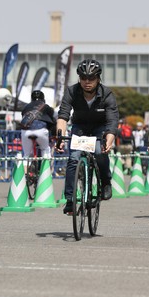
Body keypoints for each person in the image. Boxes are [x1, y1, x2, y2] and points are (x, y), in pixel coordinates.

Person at [55, 59, 119, 215]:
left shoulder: (107, 94)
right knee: (74, 158)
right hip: (80, 127)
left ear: (98, 78)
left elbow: (112, 121)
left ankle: (105, 182)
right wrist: (60, 137)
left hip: (100, 128)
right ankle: (70, 200)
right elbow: (63, 116)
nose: (87, 82)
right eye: (83, 78)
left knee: (99, 151)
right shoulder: (71, 91)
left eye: (91, 78)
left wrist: (108, 141)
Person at [20, 90, 55, 158]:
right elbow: (52, 121)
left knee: (26, 154)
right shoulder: (46, 107)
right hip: (41, 131)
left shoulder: (26, 107)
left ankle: (25, 167)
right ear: (43, 99)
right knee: (45, 150)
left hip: (26, 131)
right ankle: (46, 167)